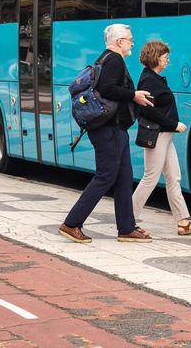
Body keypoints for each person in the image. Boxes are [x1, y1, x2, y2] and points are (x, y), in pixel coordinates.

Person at [59, 23, 154, 244]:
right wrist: (133, 95)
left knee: (124, 177)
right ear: (119, 42)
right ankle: (71, 223)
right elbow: (108, 89)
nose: (132, 44)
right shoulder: (114, 60)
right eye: (130, 40)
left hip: (114, 127)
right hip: (108, 128)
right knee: (106, 175)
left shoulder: (105, 58)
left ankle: (126, 228)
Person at [131, 40, 191, 236]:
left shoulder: (155, 78)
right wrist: (173, 124)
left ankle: (183, 222)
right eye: (165, 57)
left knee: (174, 177)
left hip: (165, 136)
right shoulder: (148, 80)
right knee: (150, 178)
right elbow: (147, 111)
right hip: (158, 135)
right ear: (156, 58)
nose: (168, 60)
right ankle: (128, 220)